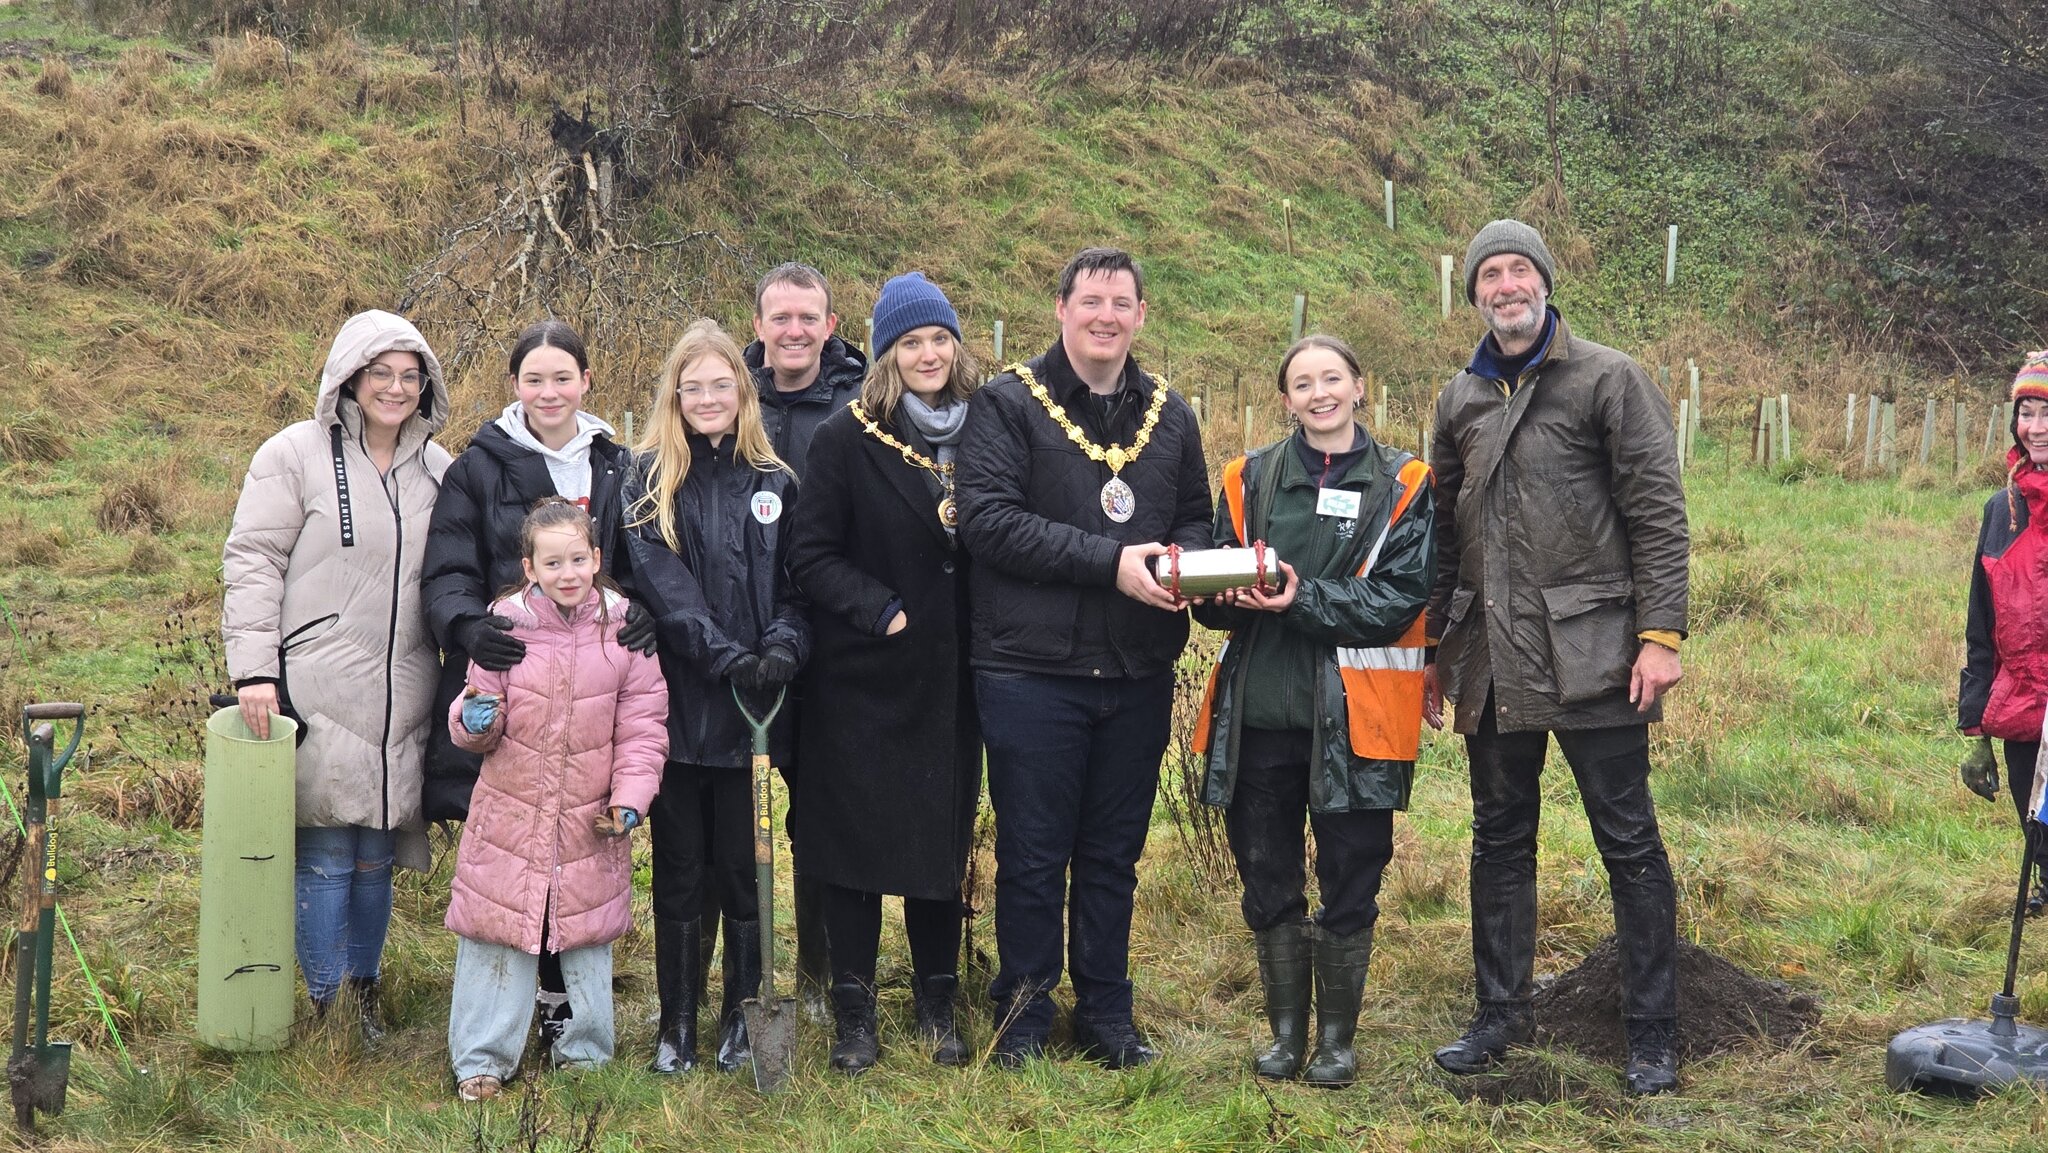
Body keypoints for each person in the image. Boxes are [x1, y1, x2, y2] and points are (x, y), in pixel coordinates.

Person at [1424, 220, 1690, 1096]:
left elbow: (1657, 511)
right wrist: (1436, 647)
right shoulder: (1458, 398)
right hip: (1493, 661)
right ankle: (1500, 1012)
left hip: (1596, 654)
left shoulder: (1608, 378)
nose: (1505, 286)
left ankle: (1652, 1031)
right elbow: (1439, 531)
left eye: (1518, 270)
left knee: (1629, 839)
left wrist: (1661, 635)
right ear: (1473, 294)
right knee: (1499, 839)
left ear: (1544, 280)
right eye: (1488, 275)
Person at [956, 247, 1213, 1068]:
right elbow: (988, 521)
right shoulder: (1005, 406)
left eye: (1122, 302)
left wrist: (1196, 568)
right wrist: (1113, 562)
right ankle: (1024, 1014)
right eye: (1091, 300)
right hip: (1031, 670)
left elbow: (1196, 518)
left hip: (1136, 670)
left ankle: (1106, 1010)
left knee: (1112, 853)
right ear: (1060, 308)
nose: (1106, 315)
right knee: (1033, 851)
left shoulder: (1171, 416)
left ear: (1141, 315)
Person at [1189, 335, 1435, 1088]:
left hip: (1358, 720)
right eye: (1303, 383)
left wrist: (1303, 598)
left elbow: (1401, 595)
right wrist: (1218, 594)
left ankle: (1337, 1041)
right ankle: (1285, 1035)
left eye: (1333, 378)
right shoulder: (1246, 477)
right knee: (1266, 875)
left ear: (1361, 386)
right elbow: (1215, 596)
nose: (1319, 392)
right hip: (1260, 715)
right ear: (1287, 399)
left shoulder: (1407, 481)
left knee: (1352, 874)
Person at [420, 319, 658, 1051]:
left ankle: (563, 1008)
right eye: (534, 378)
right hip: (511, 675)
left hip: (594, 681)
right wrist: (467, 629)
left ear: (587, 381)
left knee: (580, 849)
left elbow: (642, 550)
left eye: (563, 377)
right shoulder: (479, 467)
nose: (549, 391)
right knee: (516, 852)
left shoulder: (619, 464)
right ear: (514, 387)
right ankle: (500, 1020)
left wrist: (649, 611)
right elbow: (448, 565)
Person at [221, 309, 453, 1038]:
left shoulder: (439, 468)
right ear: (351, 375)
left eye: (409, 375)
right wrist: (255, 670)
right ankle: (326, 1009)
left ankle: (364, 996)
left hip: (405, 689)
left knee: (376, 851)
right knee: (325, 845)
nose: (395, 387)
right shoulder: (293, 454)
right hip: (316, 682)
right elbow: (252, 558)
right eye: (381, 372)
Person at [786, 273, 983, 1073]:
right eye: (911, 343)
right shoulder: (846, 436)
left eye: (939, 339)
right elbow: (810, 555)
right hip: (864, 677)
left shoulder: (989, 430)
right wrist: (879, 609)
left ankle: (940, 1005)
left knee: (940, 845)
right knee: (855, 850)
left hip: (953, 679)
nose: (928, 353)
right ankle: (854, 1014)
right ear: (886, 354)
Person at [625, 318, 810, 1075]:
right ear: (674, 393)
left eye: (721, 384)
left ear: (744, 390)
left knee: (745, 868)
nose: (707, 397)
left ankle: (741, 1016)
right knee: (679, 868)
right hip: (675, 709)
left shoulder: (776, 483)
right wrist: (728, 655)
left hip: (753, 715)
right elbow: (667, 593)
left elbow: (801, 586)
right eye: (692, 385)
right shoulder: (645, 481)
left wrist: (784, 647)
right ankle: (677, 1025)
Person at [443, 499, 667, 1101]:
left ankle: (586, 1052)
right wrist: (474, 719)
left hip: (588, 821)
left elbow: (643, 728)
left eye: (577, 559)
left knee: (586, 933)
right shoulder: (504, 625)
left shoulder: (624, 631)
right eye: (552, 562)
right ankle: (482, 1059)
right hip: (509, 815)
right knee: (499, 929)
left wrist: (630, 799)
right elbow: (473, 721)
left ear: (596, 558)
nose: (567, 573)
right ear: (529, 567)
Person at [742, 261, 868, 1017]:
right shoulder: (727, 393)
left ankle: (822, 978)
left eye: (807, 317)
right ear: (757, 326)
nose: (793, 331)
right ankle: (744, 985)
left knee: (821, 815)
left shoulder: (860, 404)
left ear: (829, 323)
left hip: (836, 643)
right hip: (745, 639)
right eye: (779, 317)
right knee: (737, 820)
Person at [1960, 351, 2048, 911]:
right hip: (2022, 711)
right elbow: (1982, 625)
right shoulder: (2003, 509)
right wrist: (1977, 732)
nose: (2036, 429)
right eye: (2027, 413)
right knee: (2040, 843)